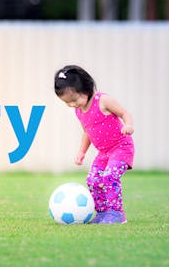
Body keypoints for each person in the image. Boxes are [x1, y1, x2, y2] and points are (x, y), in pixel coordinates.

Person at [54, 65, 135, 224]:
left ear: (86, 88)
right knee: (93, 180)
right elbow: (87, 132)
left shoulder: (103, 101)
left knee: (110, 176)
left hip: (121, 147)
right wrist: (81, 151)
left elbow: (124, 113)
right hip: (103, 153)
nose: (72, 105)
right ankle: (103, 213)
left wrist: (129, 125)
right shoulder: (79, 111)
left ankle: (117, 213)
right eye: (67, 103)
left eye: (74, 100)